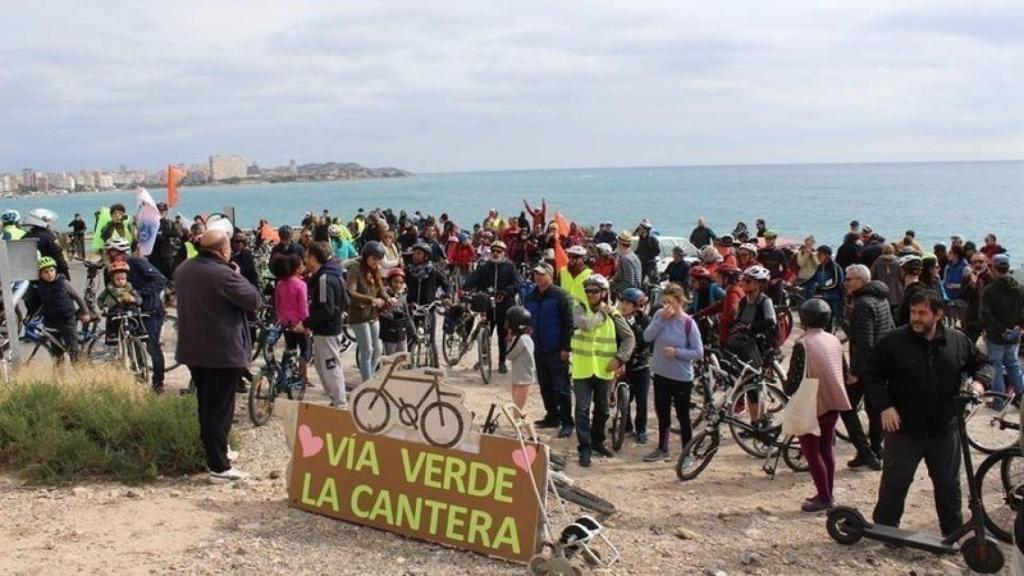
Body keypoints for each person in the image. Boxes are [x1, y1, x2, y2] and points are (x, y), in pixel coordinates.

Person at [865, 289, 992, 537]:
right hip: (903, 429)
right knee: (894, 485)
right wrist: (885, 406)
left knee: (948, 486)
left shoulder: (957, 341)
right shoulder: (893, 341)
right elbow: (872, 376)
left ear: (938, 315)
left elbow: (984, 363)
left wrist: (980, 383)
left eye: (922, 313)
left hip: (945, 430)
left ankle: (953, 534)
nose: (916, 318)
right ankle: (885, 530)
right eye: (913, 312)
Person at [175, 226, 261, 481]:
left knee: (207, 404)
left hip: (193, 349)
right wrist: (238, 274)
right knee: (219, 408)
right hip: (222, 351)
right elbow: (254, 300)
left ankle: (219, 450)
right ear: (224, 250)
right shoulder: (224, 274)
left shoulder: (183, 269)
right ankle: (219, 467)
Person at [784, 298, 851, 512]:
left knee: (812, 453)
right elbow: (845, 372)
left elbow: (793, 381)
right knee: (827, 449)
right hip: (833, 402)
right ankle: (827, 492)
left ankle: (824, 497)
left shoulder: (803, 344)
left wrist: (787, 389)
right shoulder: (834, 340)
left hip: (811, 404)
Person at [570, 274, 635, 467]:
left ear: (604, 293)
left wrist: (620, 358)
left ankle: (597, 441)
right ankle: (584, 447)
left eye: (595, 291)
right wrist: (603, 313)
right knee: (581, 409)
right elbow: (585, 325)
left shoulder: (615, 315)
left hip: (604, 371)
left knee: (603, 410)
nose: (590, 294)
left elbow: (629, 338)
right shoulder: (579, 309)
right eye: (588, 290)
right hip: (582, 369)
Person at [642, 283, 703, 463]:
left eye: (670, 302)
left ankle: (687, 453)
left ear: (679, 301)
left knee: (683, 416)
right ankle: (662, 448)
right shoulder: (659, 317)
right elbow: (647, 337)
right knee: (663, 414)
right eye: (664, 302)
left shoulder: (688, 323)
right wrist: (661, 319)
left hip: (681, 377)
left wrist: (678, 353)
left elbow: (698, 352)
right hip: (661, 374)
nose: (666, 306)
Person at [844, 264, 894, 470]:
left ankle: (866, 452)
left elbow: (865, 343)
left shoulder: (863, 304)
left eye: (849, 279)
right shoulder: (880, 298)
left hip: (868, 367)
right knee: (874, 410)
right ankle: (875, 449)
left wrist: (854, 372)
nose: (845, 283)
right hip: (881, 363)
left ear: (861, 281)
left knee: (845, 407)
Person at [106, 236, 169, 393]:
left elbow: (160, 280)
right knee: (132, 343)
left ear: (120, 252)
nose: (109, 255)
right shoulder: (110, 269)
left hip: (150, 309)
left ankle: (158, 382)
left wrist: (139, 294)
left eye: (112, 252)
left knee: (151, 345)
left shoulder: (136, 262)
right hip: (130, 311)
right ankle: (140, 378)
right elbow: (110, 291)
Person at [524, 262, 575, 439]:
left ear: (550, 276)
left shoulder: (561, 296)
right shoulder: (530, 296)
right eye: (536, 274)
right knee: (545, 386)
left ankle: (567, 422)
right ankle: (552, 417)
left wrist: (566, 347)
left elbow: (569, 323)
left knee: (561, 387)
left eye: (541, 274)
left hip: (556, 349)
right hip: (538, 349)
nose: (538, 277)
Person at [299, 241, 350, 407]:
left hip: (327, 330)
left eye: (307, 256)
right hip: (330, 328)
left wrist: (307, 323)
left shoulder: (324, 278)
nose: (305, 260)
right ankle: (335, 400)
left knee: (330, 367)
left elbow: (325, 309)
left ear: (313, 258)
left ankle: (339, 403)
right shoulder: (336, 273)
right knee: (322, 366)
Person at [465, 240, 520, 373]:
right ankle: (483, 358)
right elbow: (473, 278)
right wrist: (464, 287)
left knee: (502, 335)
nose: (495, 253)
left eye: (498, 251)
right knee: (485, 332)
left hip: (504, 306)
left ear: (503, 253)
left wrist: (505, 292)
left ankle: (502, 362)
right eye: (493, 251)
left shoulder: (510, 267)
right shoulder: (485, 267)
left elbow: (517, 284)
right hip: (487, 304)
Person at [979, 254, 1024, 402]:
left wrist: (1001, 330)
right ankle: (1021, 398)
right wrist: (1019, 327)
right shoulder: (1020, 288)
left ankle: (999, 402)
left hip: (997, 336)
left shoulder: (990, 290)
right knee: (1013, 365)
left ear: (993, 268)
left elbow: (986, 315)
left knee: (996, 368)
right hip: (1015, 335)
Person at [347, 241, 389, 382]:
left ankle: (369, 377)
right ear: (366, 256)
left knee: (378, 348)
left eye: (378, 259)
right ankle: (368, 382)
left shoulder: (375, 270)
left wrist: (389, 299)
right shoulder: (355, 268)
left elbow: (381, 289)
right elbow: (351, 292)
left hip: (373, 314)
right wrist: (370, 299)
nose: (376, 262)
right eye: (373, 258)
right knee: (367, 350)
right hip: (359, 315)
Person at [36, 256, 89, 363]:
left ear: (56, 270)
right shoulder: (41, 287)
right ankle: (59, 376)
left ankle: (80, 373)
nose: (50, 274)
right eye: (46, 272)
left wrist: (85, 312)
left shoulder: (63, 283)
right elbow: (42, 304)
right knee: (56, 354)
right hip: (51, 322)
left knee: (73, 350)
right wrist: (36, 316)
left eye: (52, 270)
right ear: (41, 274)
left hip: (67, 320)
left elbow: (77, 297)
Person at [618, 287, 652, 444]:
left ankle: (641, 429)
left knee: (641, 401)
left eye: (628, 303)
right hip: (623, 365)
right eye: (622, 301)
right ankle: (626, 425)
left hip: (641, 365)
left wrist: (632, 325)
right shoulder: (616, 318)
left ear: (637, 306)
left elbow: (646, 341)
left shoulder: (644, 320)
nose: (623, 305)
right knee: (623, 399)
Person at [273, 253, 310, 385]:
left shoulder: (280, 283)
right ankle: (303, 377)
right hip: (299, 323)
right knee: (305, 351)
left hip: (285, 322)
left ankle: (281, 376)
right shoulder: (301, 285)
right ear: (297, 268)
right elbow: (303, 306)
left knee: (289, 349)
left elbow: (277, 303)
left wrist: (280, 318)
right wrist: (306, 324)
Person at [98, 260, 141, 346]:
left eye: (123, 279)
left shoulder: (130, 288)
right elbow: (100, 299)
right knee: (114, 316)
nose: (121, 281)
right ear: (112, 279)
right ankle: (113, 333)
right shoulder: (109, 289)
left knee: (135, 310)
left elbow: (139, 299)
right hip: (116, 309)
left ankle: (138, 328)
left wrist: (134, 299)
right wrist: (103, 307)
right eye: (118, 279)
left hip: (128, 308)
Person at [505, 306, 536, 412]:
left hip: (522, 379)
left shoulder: (521, 339)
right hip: (519, 378)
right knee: (518, 408)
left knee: (518, 411)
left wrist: (509, 340)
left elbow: (509, 355)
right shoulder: (526, 338)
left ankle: (526, 428)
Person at [24, 208, 70, 280]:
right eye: (48, 221)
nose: (50, 223)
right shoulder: (48, 236)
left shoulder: (26, 236)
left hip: (29, 275)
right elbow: (58, 256)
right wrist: (65, 274)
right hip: (47, 274)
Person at [380, 268, 415, 355]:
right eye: (395, 282)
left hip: (401, 332)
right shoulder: (384, 295)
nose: (398, 285)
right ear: (389, 282)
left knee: (403, 355)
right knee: (390, 356)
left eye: (400, 282)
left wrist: (413, 331)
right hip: (388, 332)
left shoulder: (403, 297)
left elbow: (407, 315)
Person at [961, 252, 992, 344]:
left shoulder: (993, 278)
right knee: (968, 344)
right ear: (971, 264)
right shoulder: (967, 278)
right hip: (972, 317)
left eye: (981, 261)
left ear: (986, 262)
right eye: (975, 262)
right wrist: (972, 285)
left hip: (990, 318)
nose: (978, 264)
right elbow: (962, 296)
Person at [812, 245, 844, 332]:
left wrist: (823, 289)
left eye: (820, 254)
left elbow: (837, 283)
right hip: (824, 298)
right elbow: (813, 279)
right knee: (825, 320)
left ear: (827, 256)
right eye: (817, 254)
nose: (818, 256)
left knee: (836, 319)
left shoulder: (834, 267)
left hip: (834, 298)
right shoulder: (820, 267)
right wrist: (800, 285)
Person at [869, 243, 903, 316]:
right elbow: (902, 276)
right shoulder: (898, 261)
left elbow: (871, 275)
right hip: (896, 291)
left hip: (881, 290)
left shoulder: (877, 261)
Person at [758, 230, 788, 304]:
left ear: (774, 239)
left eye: (770, 239)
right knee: (763, 302)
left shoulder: (779, 252)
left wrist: (777, 279)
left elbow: (786, 269)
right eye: (766, 239)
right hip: (764, 281)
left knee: (776, 303)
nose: (768, 241)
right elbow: (758, 266)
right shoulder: (761, 252)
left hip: (776, 281)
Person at [611, 231, 642, 299]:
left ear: (620, 244)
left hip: (628, 296)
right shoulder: (633, 256)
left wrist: (614, 287)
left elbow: (629, 282)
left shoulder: (626, 259)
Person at [634, 219, 660, 284]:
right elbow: (639, 249)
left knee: (653, 281)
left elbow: (657, 251)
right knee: (639, 281)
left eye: (641, 228)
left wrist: (648, 256)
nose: (639, 230)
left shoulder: (652, 239)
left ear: (645, 230)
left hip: (650, 264)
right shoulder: (641, 238)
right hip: (642, 263)